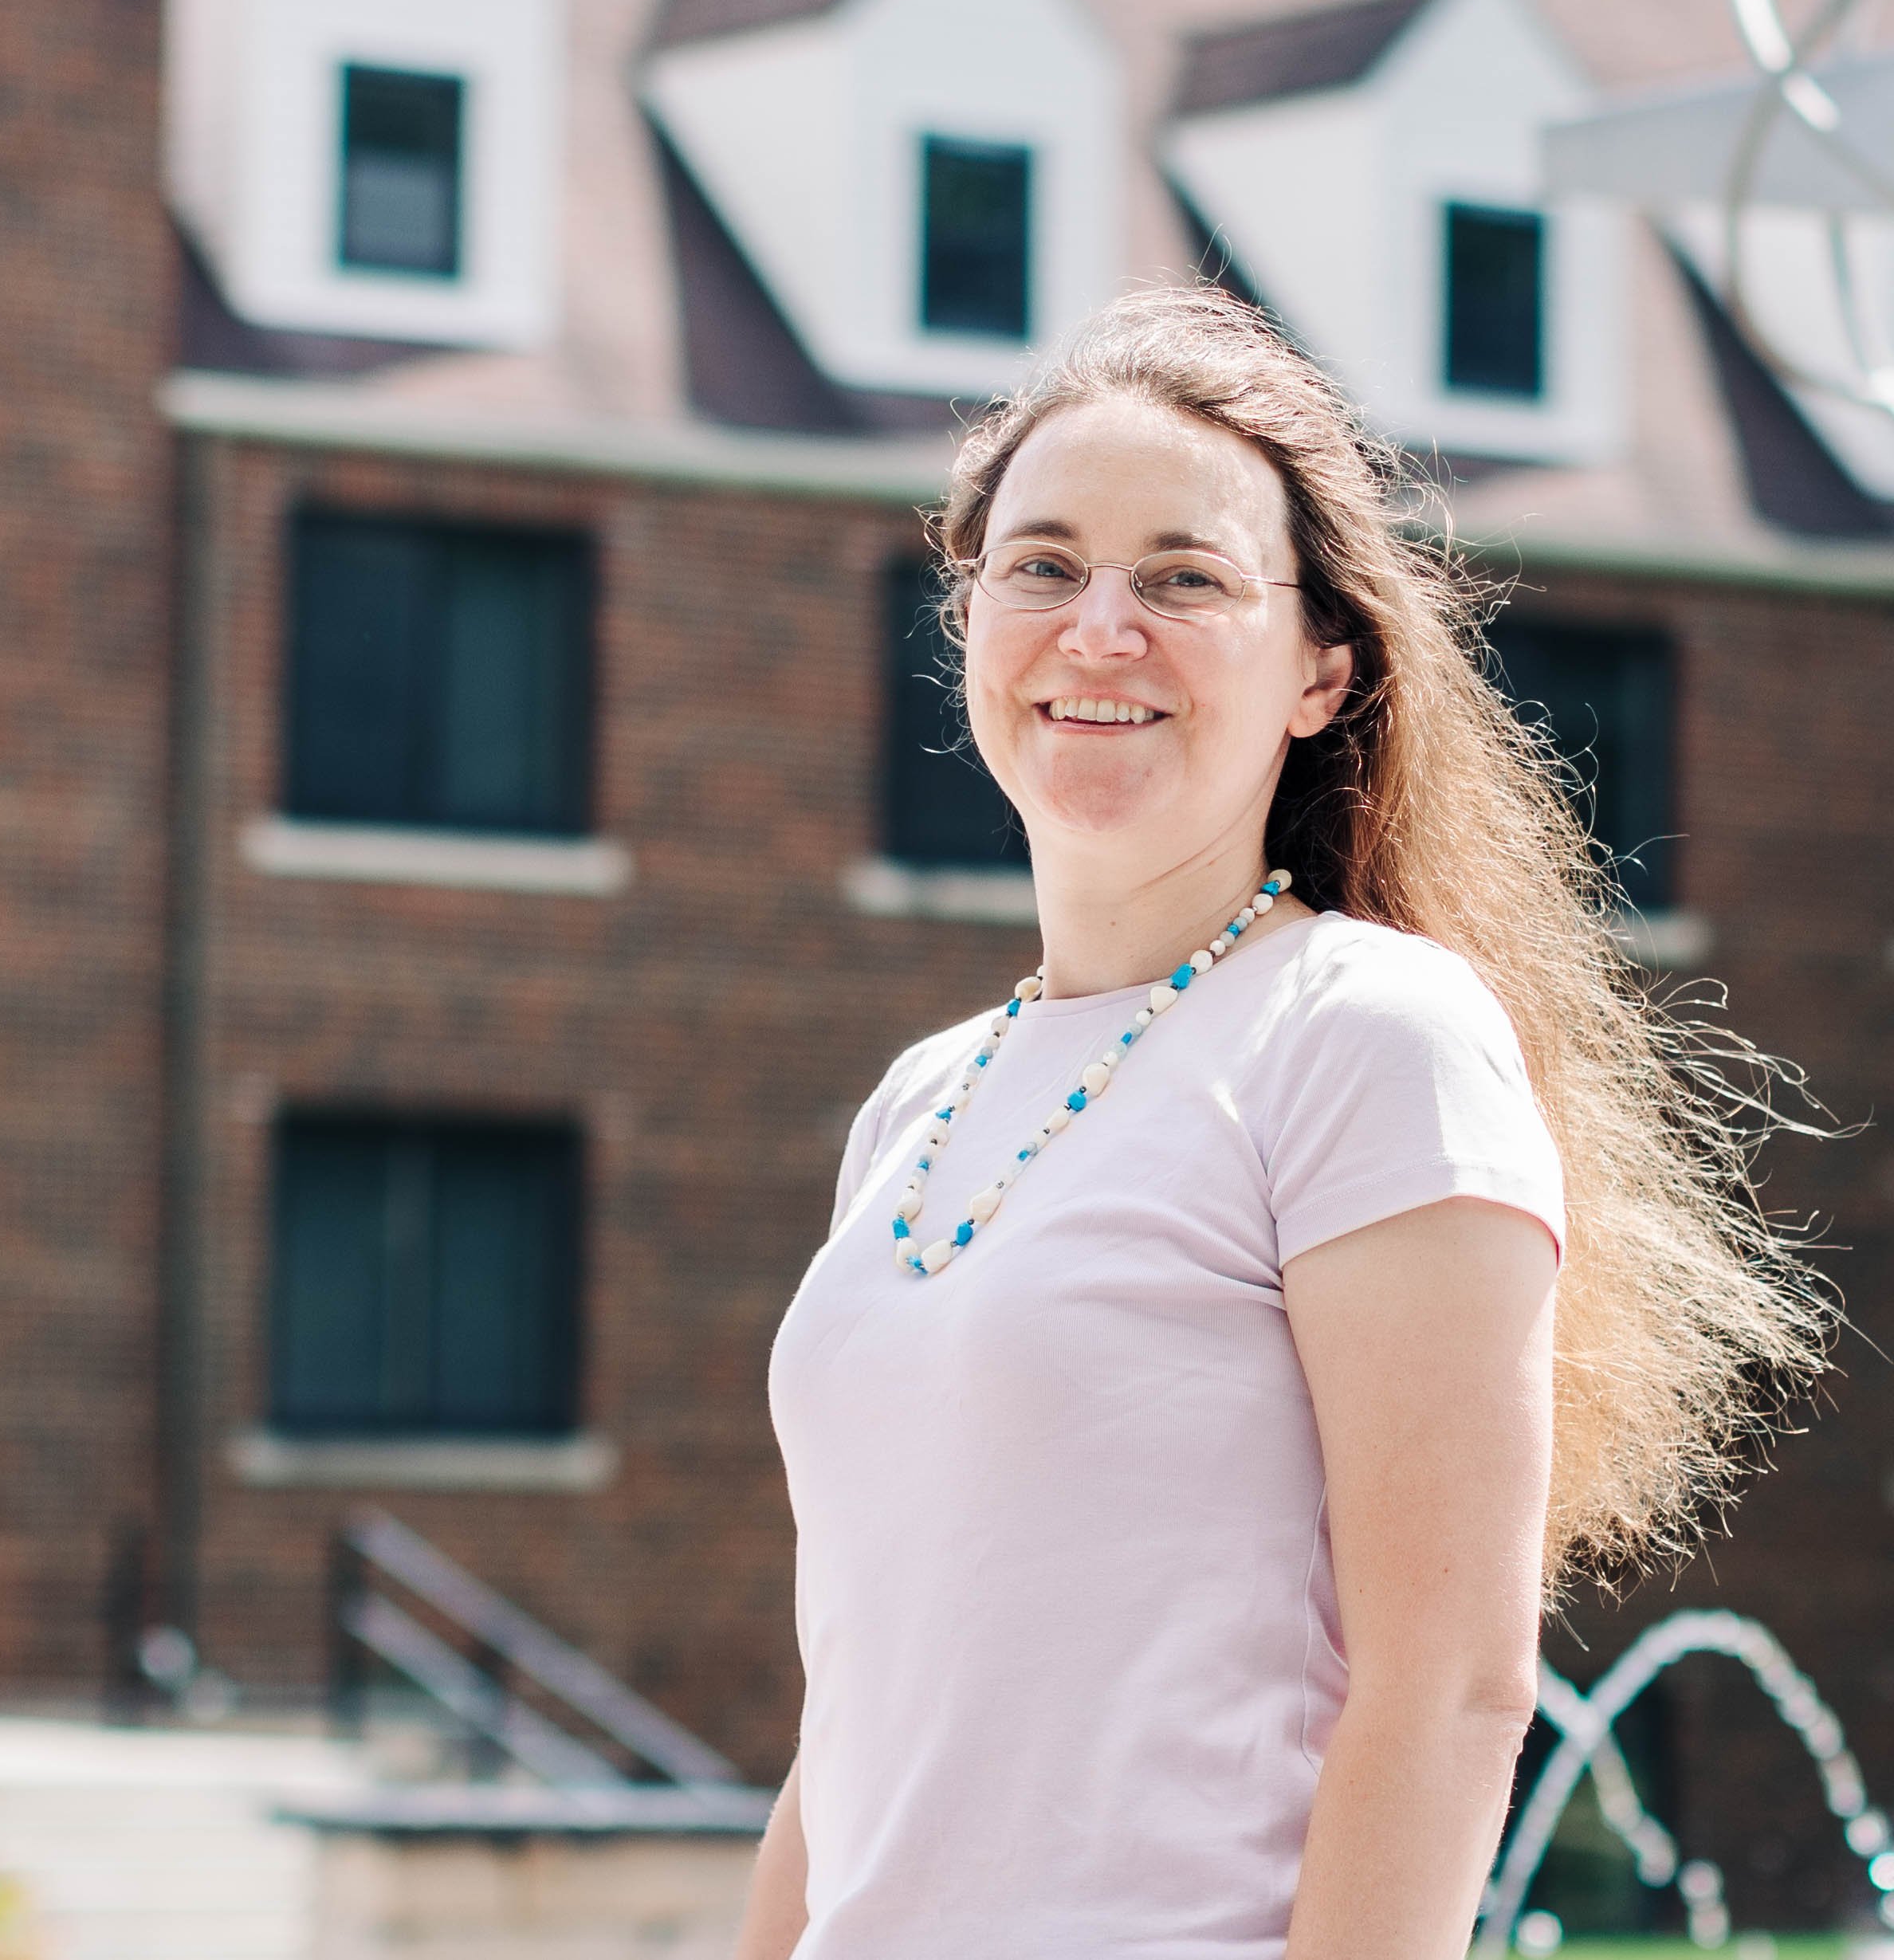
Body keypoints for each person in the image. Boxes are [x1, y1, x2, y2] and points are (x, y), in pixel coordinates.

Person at [742, 289, 1825, 1960]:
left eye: (1180, 577)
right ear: (966, 620)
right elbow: (858, 1712)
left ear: (1319, 667)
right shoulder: (919, 1097)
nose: (1098, 625)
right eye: (1039, 565)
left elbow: (1449, 1689)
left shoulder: (1367, 1036)